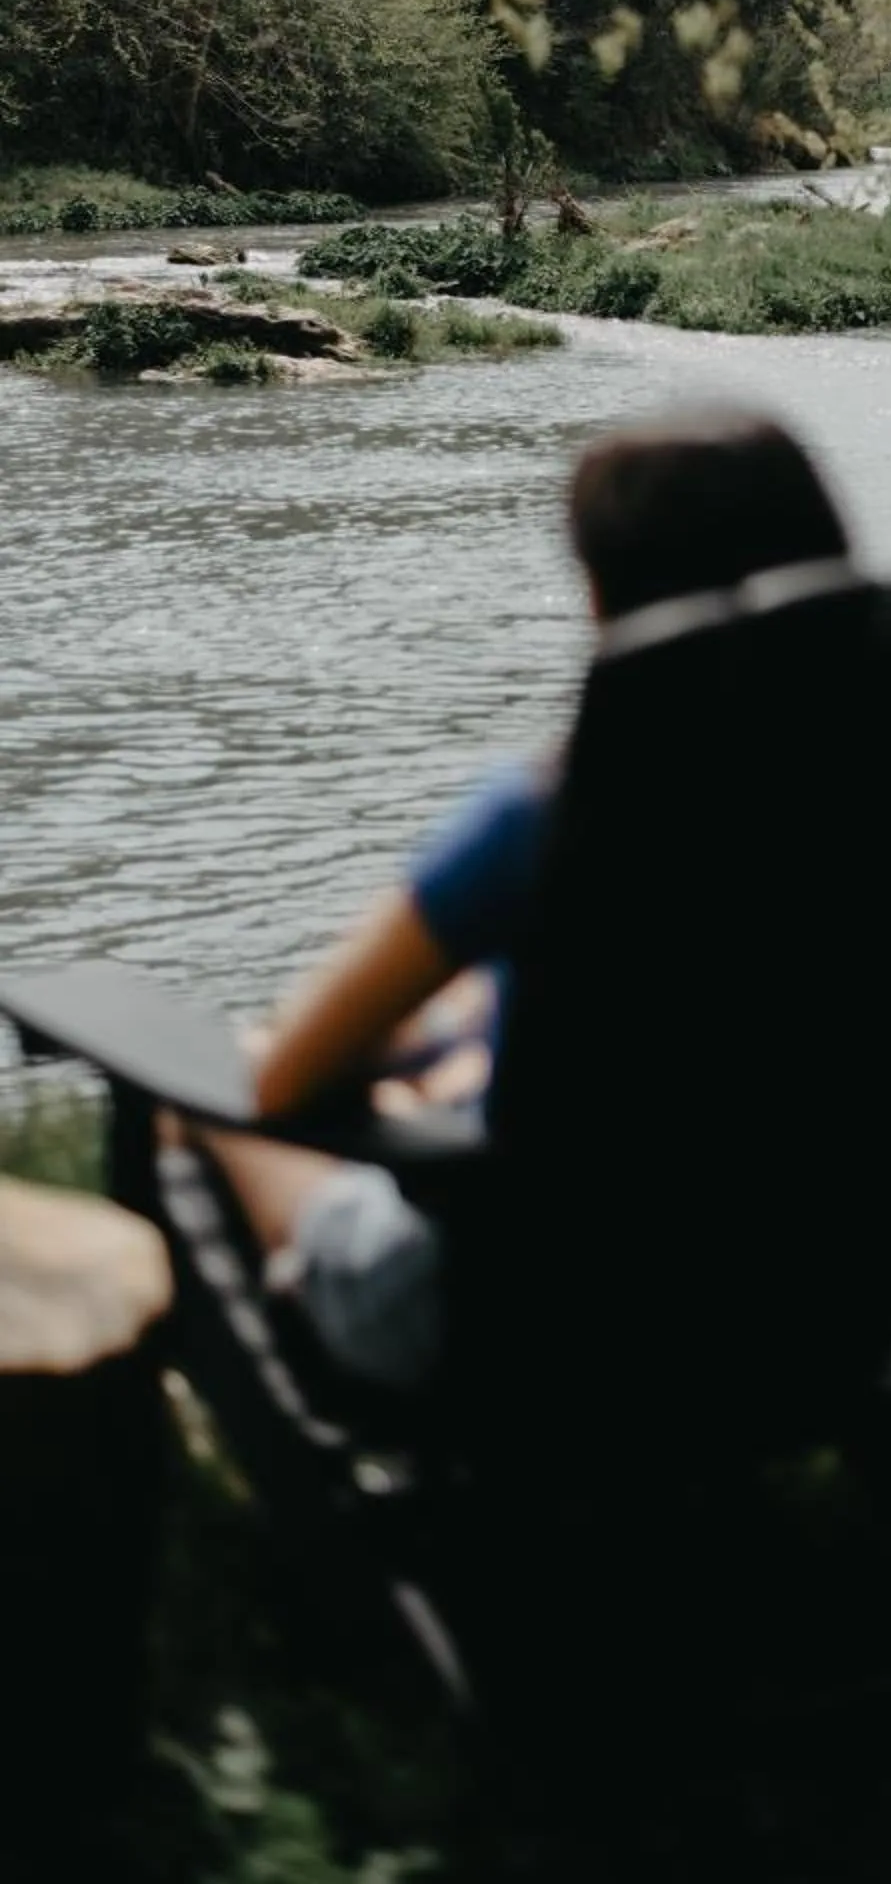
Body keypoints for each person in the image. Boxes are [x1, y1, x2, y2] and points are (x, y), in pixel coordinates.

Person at [186, 407, 852, 1392]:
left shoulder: (550, 816)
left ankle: (247, 1421)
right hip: (803, 1286)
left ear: (602, 600)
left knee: (200, 1085)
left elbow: (287, 1078)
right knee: (451, 1041)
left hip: (498, 1317)